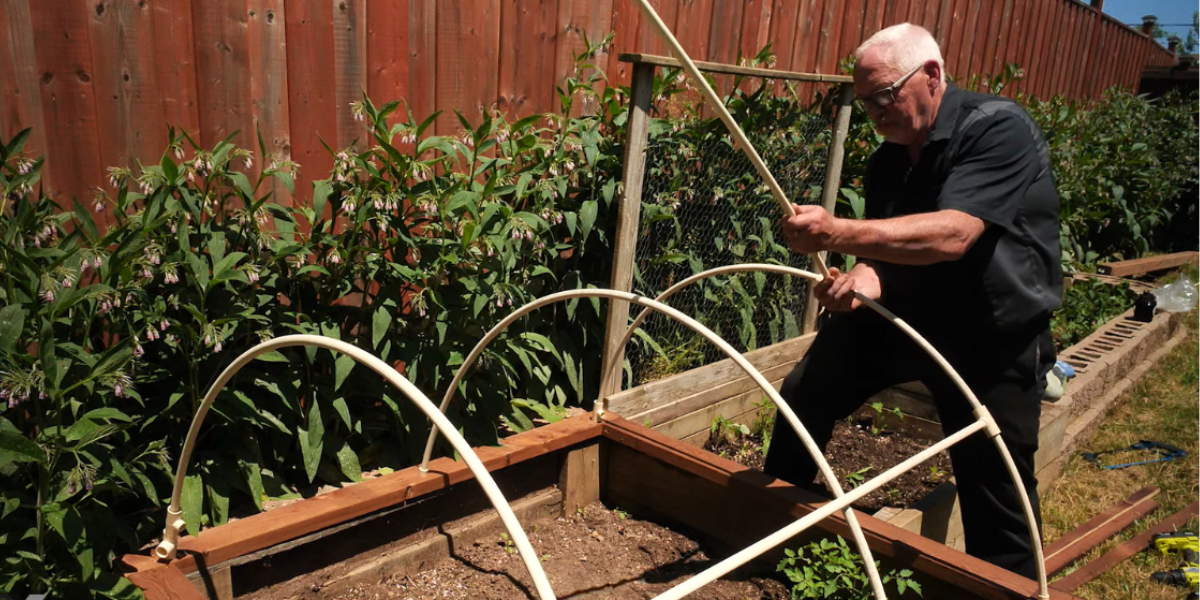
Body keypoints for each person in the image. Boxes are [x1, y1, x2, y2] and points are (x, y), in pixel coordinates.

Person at [762, 23, 1062, 579]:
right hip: (904, 318)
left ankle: (1008, 585)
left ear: (931, 75)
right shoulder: (889, 159)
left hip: (990, 333)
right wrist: (859, 283)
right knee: (805, 393)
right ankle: (768, 526)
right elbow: (886, 257)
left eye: (884, 94)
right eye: (865, 99)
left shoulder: (998, 128)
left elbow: (953, 236)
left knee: (994, 478)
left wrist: (834, 233)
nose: (875, 111)